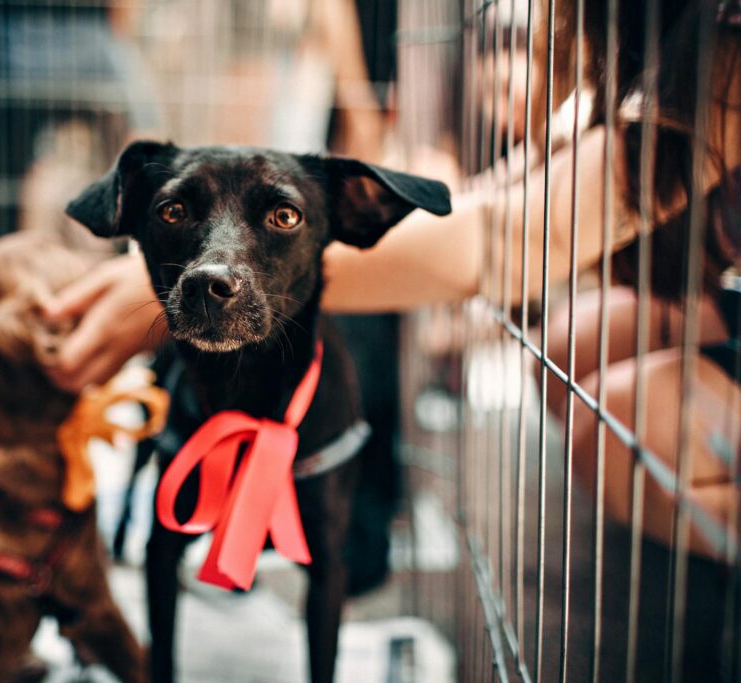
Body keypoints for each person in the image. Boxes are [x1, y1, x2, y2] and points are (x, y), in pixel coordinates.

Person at [43, 0, 739, 678]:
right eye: (173, 209)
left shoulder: (723, 48)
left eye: (282, 214)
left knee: (624, 424)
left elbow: (517, 233)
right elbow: (525, 202)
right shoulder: (663, 74)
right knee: (571, 341)